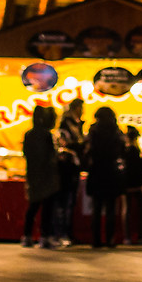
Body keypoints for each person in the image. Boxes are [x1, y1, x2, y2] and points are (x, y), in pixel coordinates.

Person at [87, 106, 128, 247]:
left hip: (97, 172)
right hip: (111, 173)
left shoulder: (93, 131)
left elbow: (89, 151)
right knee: (111, 208)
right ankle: (110, 239)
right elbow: (122, 151)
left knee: (97, 208)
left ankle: (96, 240)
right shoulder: (116, 132)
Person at [22, 103, 61, 248]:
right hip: (46, 176)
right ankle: (45, 236)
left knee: (33, 207)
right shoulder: (46, 135)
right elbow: (50, 156)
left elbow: (27, 154)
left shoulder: (29, 134)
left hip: (33, 174)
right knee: (47, 208)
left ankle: (27, 236)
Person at [54, 96, 87, 246]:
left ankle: (64, 233)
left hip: (71, 169)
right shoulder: (67, 125)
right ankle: (62, 234)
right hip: (66, 169)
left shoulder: (75, 125)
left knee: (68, 202)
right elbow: (68, 146)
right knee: (65, 202)